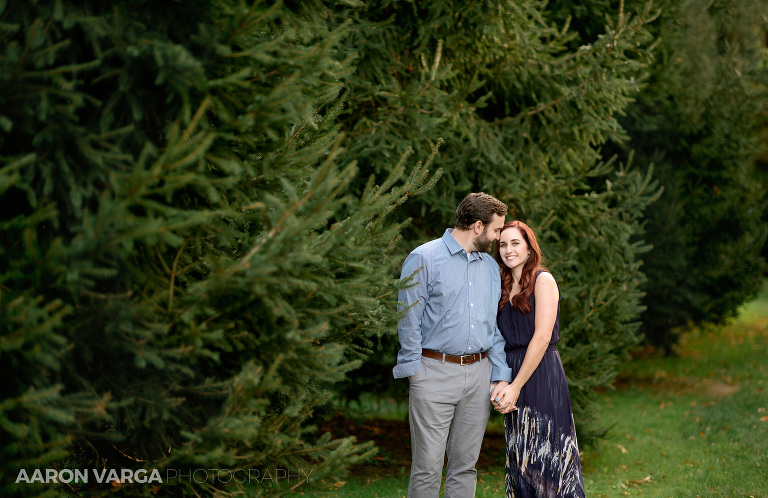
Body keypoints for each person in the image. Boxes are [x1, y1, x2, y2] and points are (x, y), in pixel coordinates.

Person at [393, 192, 513, 498]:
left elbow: (492, 327)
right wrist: (414, 372)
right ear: (477, 226)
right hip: (433, 373)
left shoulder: (489, 267)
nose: (499, 238)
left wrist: (499, 374)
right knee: (428, 467)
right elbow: (408, 319)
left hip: (478, 377)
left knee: (465, 466)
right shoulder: (424, 258)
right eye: (497, 230)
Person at [490, 221, 585, 497]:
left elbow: (542, 337)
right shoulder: (502, 285)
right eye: (503, 244)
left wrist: (516, 386)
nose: (508, 250)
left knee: (547, 455)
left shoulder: (544, 280)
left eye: (515, 243)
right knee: (521, 457)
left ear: (530, 248)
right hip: (511, 374)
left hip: (541, 373)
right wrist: (501, 381)